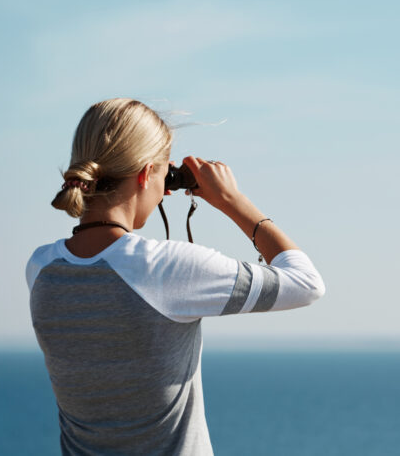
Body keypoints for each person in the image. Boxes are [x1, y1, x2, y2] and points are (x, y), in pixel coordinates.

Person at [26, 98, 325, 455]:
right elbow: (306, 283)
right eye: (164, 174)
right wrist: (232, 200)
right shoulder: (163, 269)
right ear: (144, 173)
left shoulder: (42, 269)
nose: (166, 190)